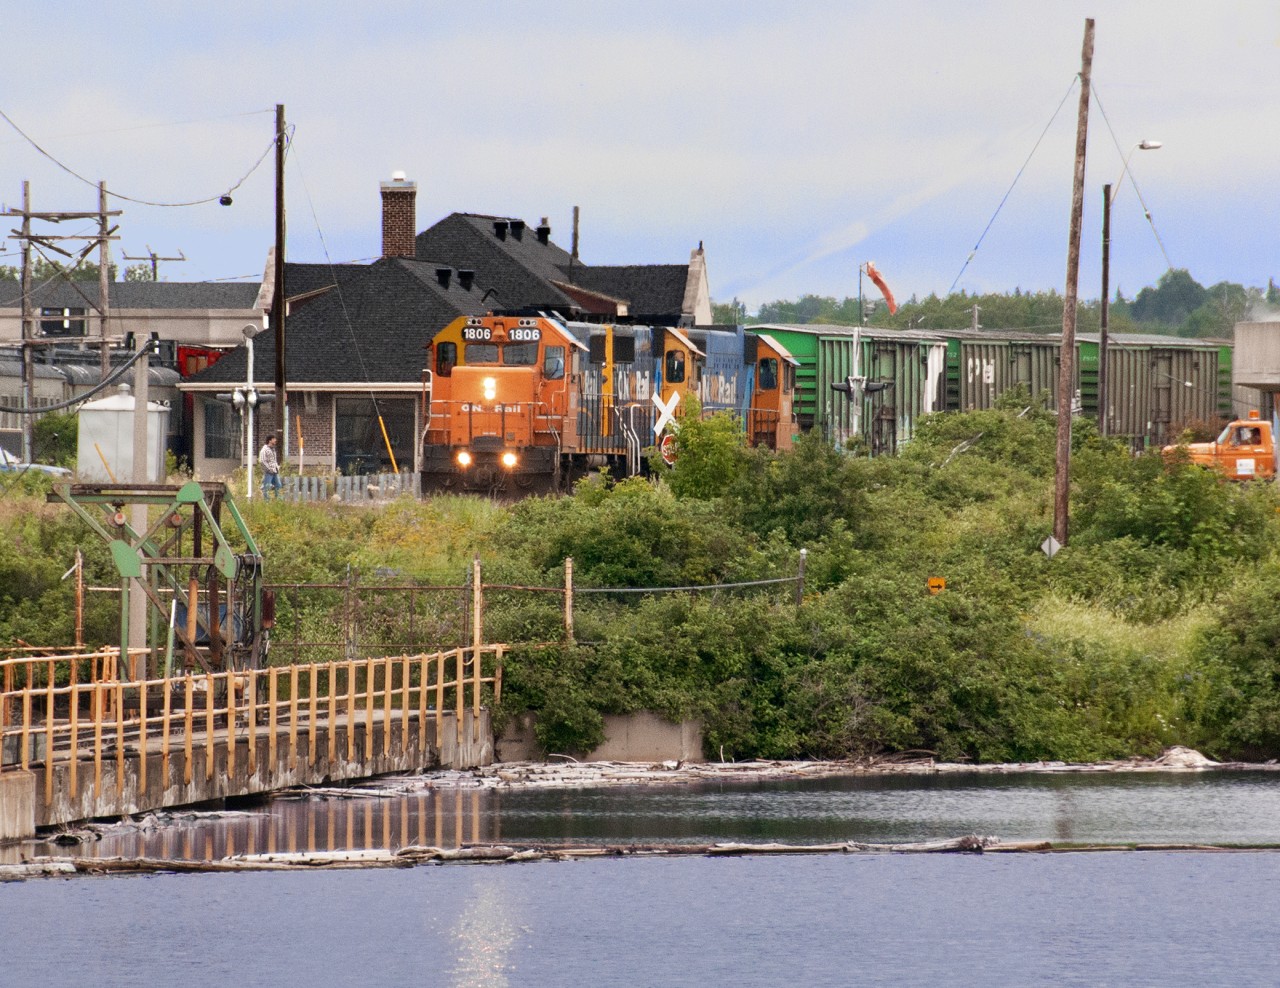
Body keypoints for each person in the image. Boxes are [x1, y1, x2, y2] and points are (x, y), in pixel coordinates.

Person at [259, 434, 282, 500]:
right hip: (268, 472)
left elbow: (273, 460)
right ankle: (267, 501)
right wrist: (269, 469)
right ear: (270, 440)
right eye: (274, 439)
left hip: (275, 471)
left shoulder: (273, 449)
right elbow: (262, 461)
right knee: (266, 487)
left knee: (278, 485)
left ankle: (278, 500)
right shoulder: (264, 450)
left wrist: (277, 467)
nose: (275, 440)